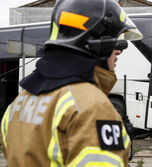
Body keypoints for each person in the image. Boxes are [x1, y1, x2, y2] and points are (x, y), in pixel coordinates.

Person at [0, 0, 142, 166]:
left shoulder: (20, 102)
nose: (118, 50)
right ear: (97, 45)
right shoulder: (91, 107)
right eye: (114, 41)